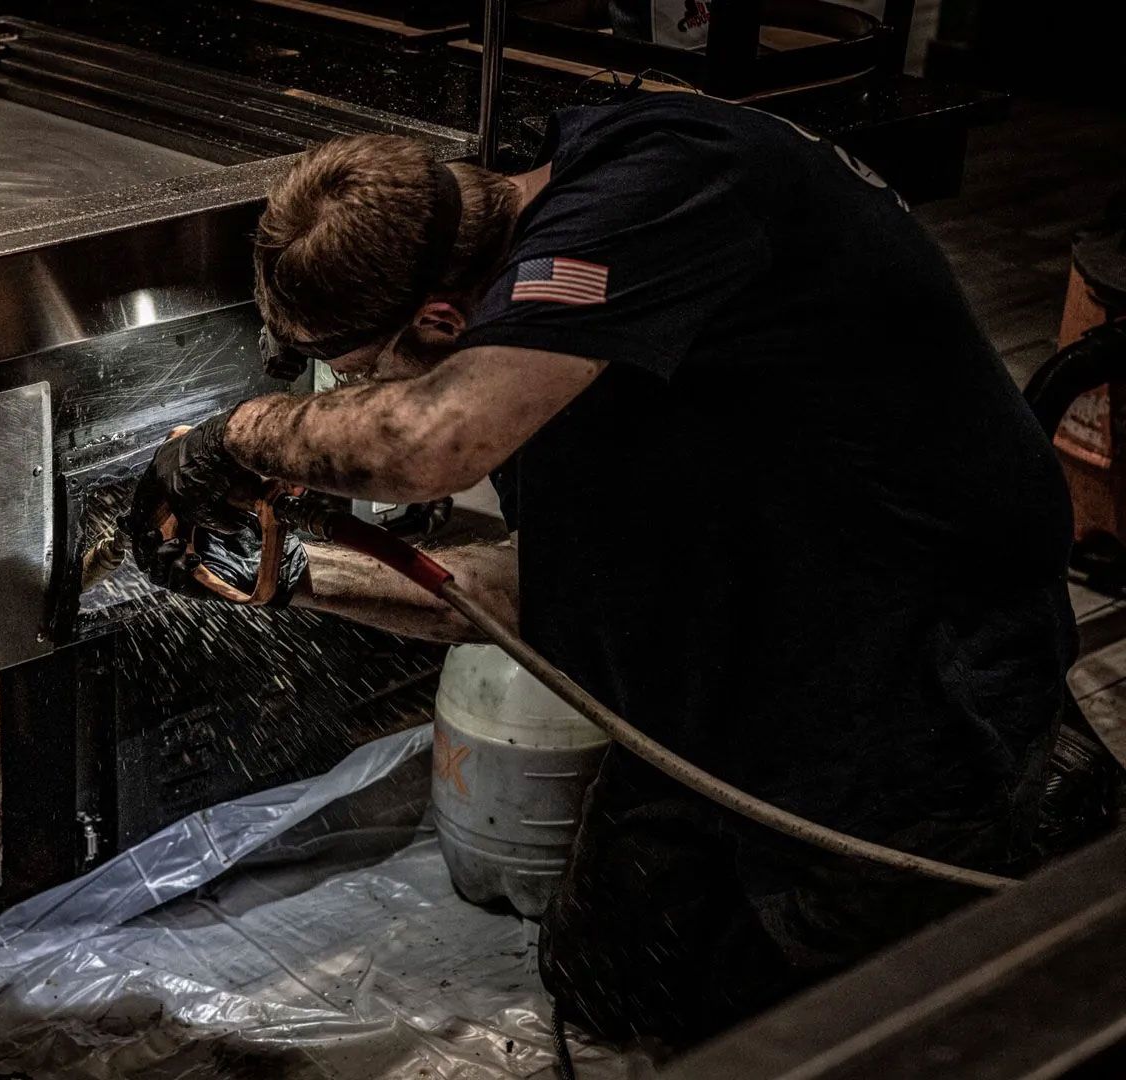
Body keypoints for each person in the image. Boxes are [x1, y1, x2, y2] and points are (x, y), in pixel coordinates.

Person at [120, 92, 1091, 1050]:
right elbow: (512, 598)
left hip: (911, 678)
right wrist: (282, 577)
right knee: (611, 973)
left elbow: (429, 439)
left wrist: (236, 440)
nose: (359, 399)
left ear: (444, 322)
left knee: (823, 1025)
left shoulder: (669, 174)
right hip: (734, 652)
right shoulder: (550, 341)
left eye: (362, 372)